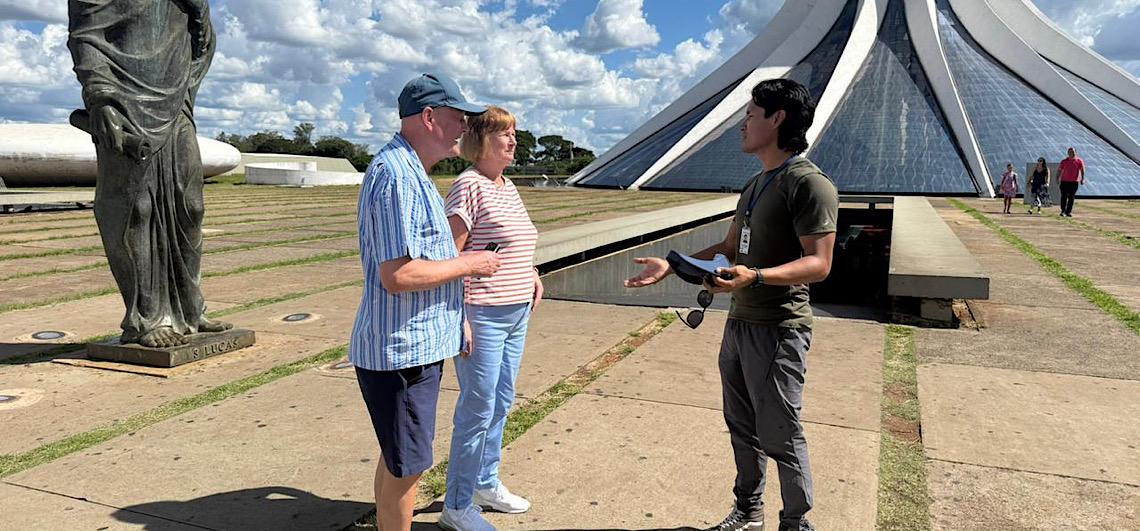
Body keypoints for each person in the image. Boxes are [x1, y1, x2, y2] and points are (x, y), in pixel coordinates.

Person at [626, 78, 837, 531]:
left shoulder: (809, 185)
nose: (742, 124)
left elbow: (819, 263)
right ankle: (749, 511)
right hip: (740, 323)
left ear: (777, 119)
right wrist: (672, 264)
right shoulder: (756, 183)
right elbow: (730, 247)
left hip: (780, 329)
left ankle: (797, 522)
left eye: (750, 115)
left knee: (780, 430)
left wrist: (757, 277)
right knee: (741, 426)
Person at [349, 73, 499, 531]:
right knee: (408, 466)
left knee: (399, 458)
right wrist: (472, 266)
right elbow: (399, 275)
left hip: (415, 344)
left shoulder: (410, 170)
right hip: (402, 352)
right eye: (459, 118)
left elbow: (424, 261)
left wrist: (457, 319)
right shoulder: (397, 176)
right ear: (429, 117)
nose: (464, 129)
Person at [67, 0, 232, 347]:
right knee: (134, 211)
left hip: (175, 99)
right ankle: (145, 319)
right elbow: (85, 36)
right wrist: (100, 98)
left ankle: (190, 309)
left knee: (190, 206)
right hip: (125, 101)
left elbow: (202, 40)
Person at [439, 106, 542, 531]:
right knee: (477, 408)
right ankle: (457, 505)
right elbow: (448, 256)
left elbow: (512, 241)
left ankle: (484, 482)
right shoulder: (468, 186)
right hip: (481, 314)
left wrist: (532, 272)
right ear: (481, 141)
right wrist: (457, 316)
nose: (513, 141)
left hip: (517, 310)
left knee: (500, 402)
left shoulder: (507, 184)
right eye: (504, 134)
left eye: (514, 133)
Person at [1058, 147, 1085, 217]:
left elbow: (1082, 170)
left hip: (1074, 182)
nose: (1071, 153)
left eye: (1072, 151)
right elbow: (1059, 170)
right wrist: (1058, 178)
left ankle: (1068, 212)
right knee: (1063, 196)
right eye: (1069, 152)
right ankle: (1063, 211)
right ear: (1068, 153)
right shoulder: (1064, 161)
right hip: (1064, 181)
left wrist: (1082, 179)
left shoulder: (1079, 161)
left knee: (1071, 197)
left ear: (1075, 152)